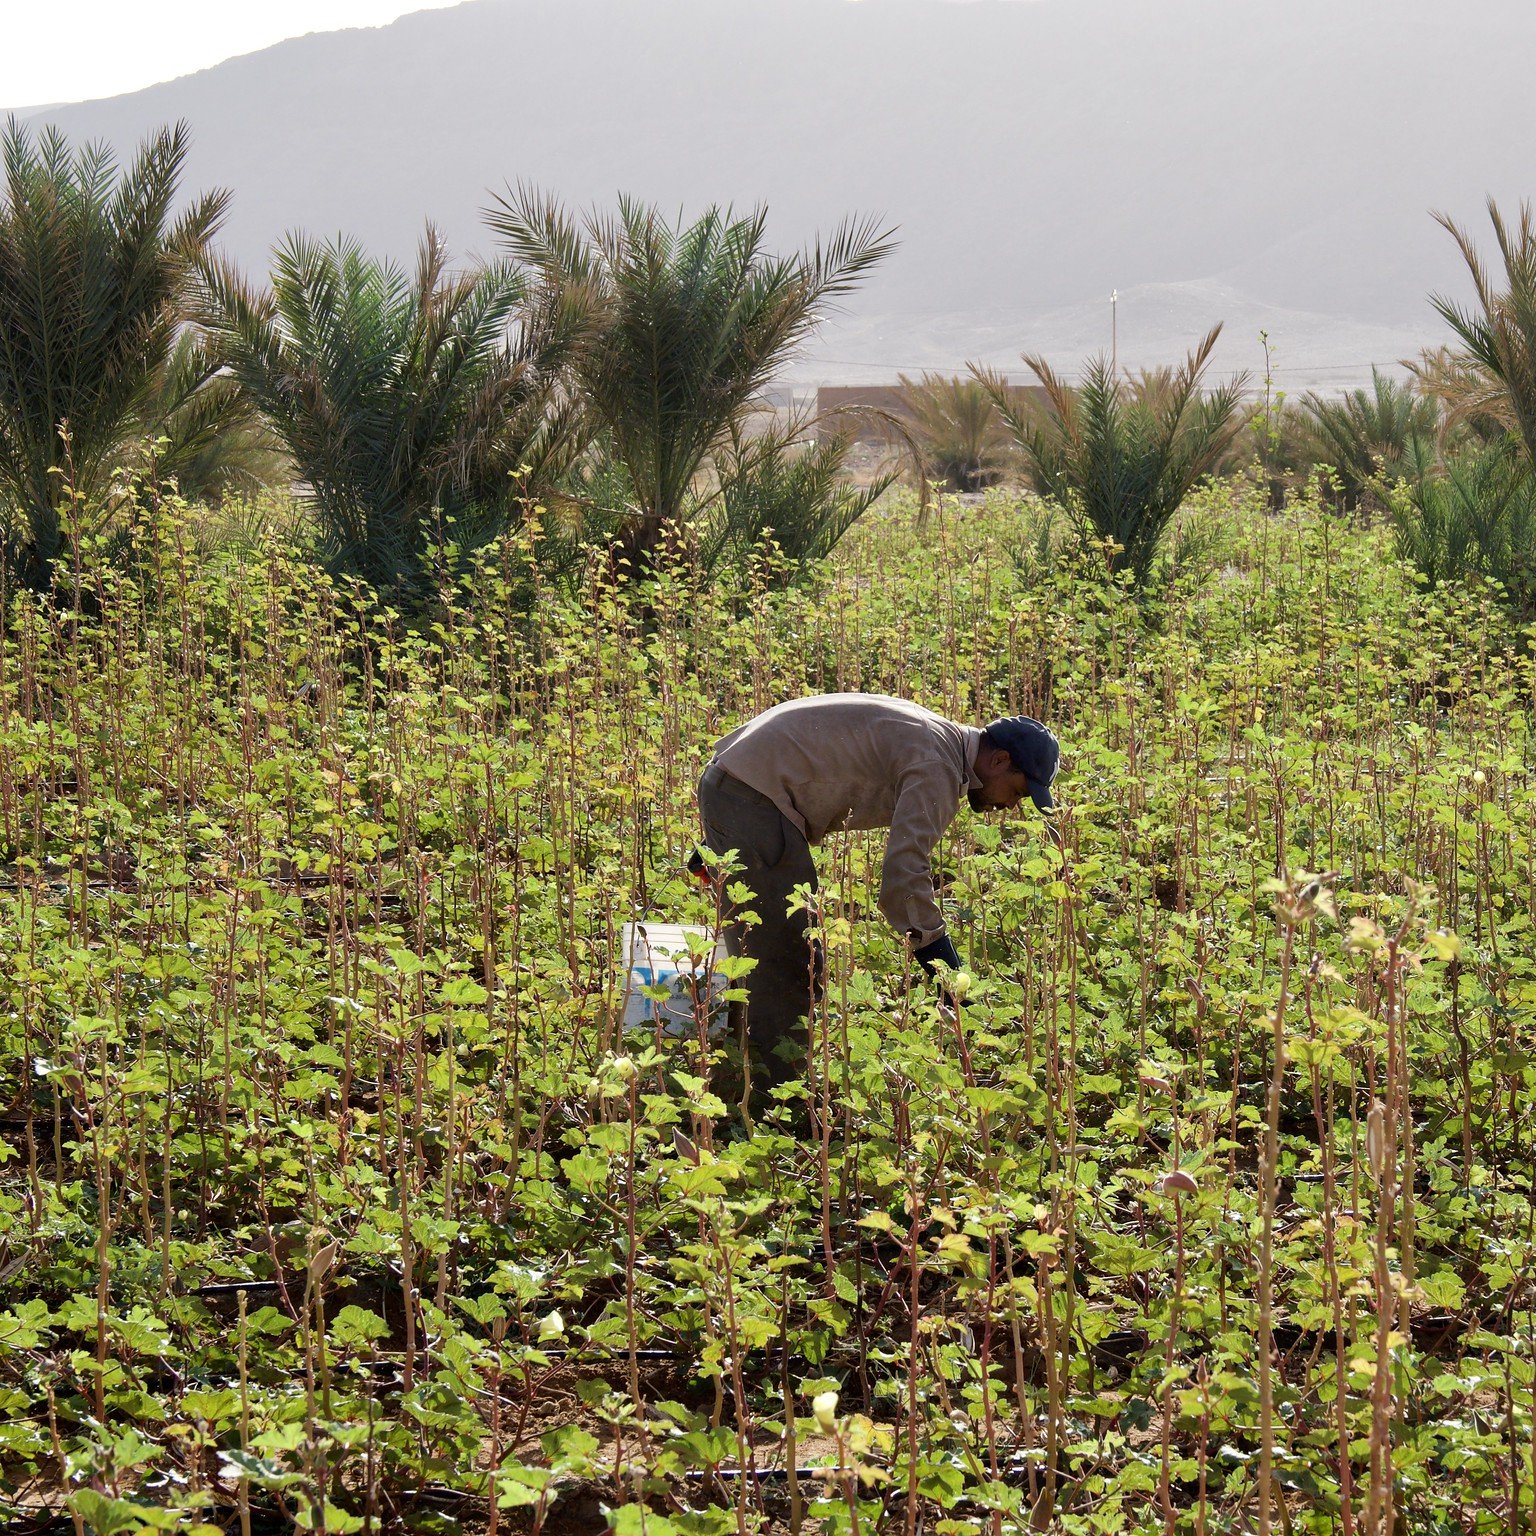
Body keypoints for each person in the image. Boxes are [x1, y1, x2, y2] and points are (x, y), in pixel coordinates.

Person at [695, 693, 1059, 1109]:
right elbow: (902, 881)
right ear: (999, 761)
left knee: (763, 950)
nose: (1010, 805)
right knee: (791, 958)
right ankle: (776, 1108)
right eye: (1017, 791)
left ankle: (746, 1079)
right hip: (750, 795)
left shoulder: (937, 735)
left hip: (740, 782)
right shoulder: (938, 766)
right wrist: (946, 969)